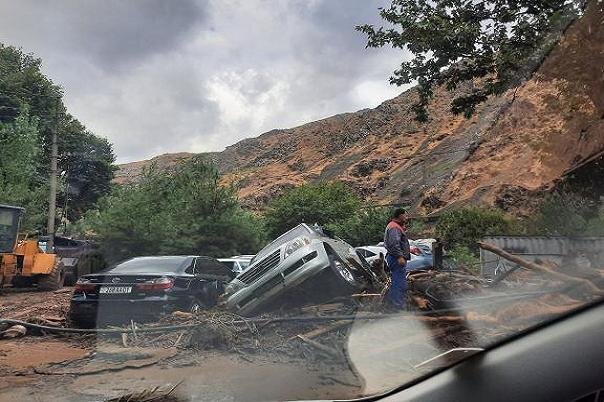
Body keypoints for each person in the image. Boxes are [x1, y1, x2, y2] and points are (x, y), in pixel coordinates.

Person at [383, 207, 411, 310]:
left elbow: (397, 243)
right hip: (396, 258)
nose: (407, 217)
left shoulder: (394, 226)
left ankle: (396, 304)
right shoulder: (394, 227)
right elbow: (394, 244)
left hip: (394, 257)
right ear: (400, 215)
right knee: (399, 282)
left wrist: (409, 250)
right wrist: (400, 256)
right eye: (405, 215)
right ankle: (398, 307)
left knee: (398, 281)